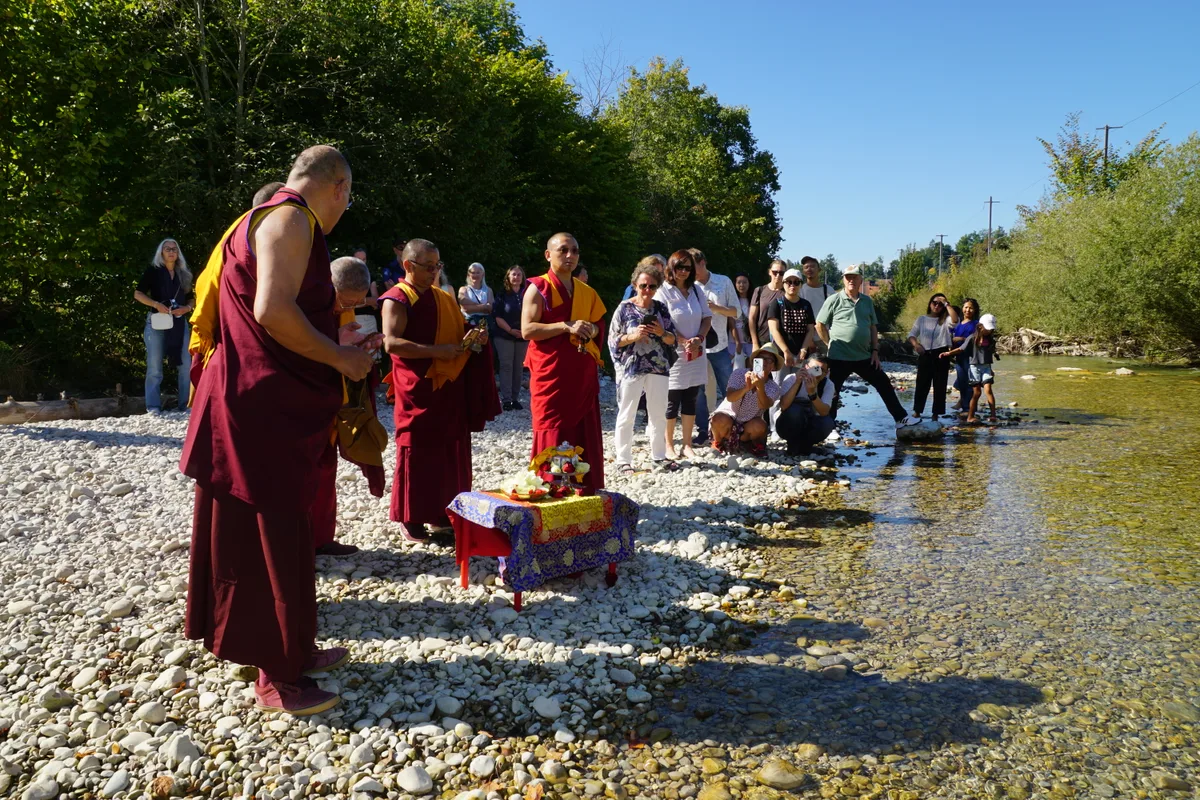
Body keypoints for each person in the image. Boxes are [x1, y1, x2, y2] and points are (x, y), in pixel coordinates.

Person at [181, 145, 374, 715]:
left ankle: (292, 646)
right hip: (257, 406)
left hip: (255, 399)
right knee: (269, 533)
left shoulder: (260, 217)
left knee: (282, 530)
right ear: (337, 187)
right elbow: (271, 310)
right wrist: (340, 360)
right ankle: (277, 675)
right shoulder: (291, 217)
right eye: (347, 199)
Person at [381, 239, 500, 541]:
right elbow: (391, 343)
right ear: (408, 265)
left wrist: (475, 338)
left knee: (449, 448)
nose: (434, 271)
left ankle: (442, 512)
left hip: (448, 384)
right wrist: (436, 351)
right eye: (428, 266)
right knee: (418, 448)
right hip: (417, 387)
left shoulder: (443, 297)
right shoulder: (397, 298)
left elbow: (457, 333)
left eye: (438, 266)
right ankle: (411, 517)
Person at [521, 232, 607, 491]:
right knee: (553, 426)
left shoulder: (586, 291)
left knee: (583, 428)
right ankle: (551, 487)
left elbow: (598, 324)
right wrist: (564, 326)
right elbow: (527, 330)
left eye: (575, 251)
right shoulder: (538, 288)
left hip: (581, 374)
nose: (570, 256)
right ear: (548, 255)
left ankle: (584, 487)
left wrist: (590, 330)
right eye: (563, 250)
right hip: (552, 374)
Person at [815, 263, 920, 431]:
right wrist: (830, 344)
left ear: (860, 280)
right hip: (838, 357)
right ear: (843, 280)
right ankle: (827, 426)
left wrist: (875, 351)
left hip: (864, 356)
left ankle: (901, 418)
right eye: (848, 277)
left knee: (884, 384)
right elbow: (819, 324)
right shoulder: (833, 300)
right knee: (832, 392)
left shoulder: (867, 301)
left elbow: (873, 327)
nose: (851, 280)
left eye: (855, 277)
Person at [609, 261, 679, 475]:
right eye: (643, 286)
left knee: (658, 414)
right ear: (635, 285)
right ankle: (623, 459)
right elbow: (612, 341)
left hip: (658, 367)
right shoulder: (624, 308)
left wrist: (660, 332)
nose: (647, 290)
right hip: (632, 366)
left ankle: (658, 456)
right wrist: (632, 336)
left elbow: (673, 340)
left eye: (652, 286)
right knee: (626, 413)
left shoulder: (661, 309)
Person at [655, 249, 711, 459]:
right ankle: (668, 444)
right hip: (673, 352)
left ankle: (687, 444)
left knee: (691, 396)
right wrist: (682, 340)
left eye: (688, 267)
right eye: (679, 267)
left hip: (696, 351)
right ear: (671, 267)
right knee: (672, 399)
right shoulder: (664, 291)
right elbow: (663, 321)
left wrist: (699, 339)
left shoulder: (696, 290)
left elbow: (707, 317)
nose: (683, 271)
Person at [135, 239, 195, 412]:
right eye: (167, 249)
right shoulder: (153, 271)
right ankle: (153, 407)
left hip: (178, 322)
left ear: (178, 253)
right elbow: (138, 294)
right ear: (161, 253)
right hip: (157, 321)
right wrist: (156, 305)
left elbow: (191, 297)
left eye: (174, 249)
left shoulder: (183, 273)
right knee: (154, 366)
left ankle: (186, 405)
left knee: (185, 365)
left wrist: (187, 308)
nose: (171, 251)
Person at [691, 248, 740, 448]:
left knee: (730, 387)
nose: (689, 271)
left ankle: (735, 426)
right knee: (697, 391)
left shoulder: (724, 281)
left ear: (703, 262)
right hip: (696, 346)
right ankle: (703, 430)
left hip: (719, 344)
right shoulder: (688, 286)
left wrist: (716, 308)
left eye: (692, 266)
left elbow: (736, 312)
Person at [710, 342, 784, 457]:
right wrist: (746, 388)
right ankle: (718, 442)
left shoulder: (773, 387)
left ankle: (747, 444)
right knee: (719, 418)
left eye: (769, 360)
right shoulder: (739, 374)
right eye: (761, 359)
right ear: (755, 361)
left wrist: (760, 387)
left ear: (773, 367)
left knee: (760, 425)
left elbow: (764, 405)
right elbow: (730, 397)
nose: (764, 362)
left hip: (748, 424)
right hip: (728, 417)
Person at [766, 268, 817, 434]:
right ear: (784, 284)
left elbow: (810, 329)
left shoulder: (806, 305)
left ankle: (800, 424)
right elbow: (774, 330)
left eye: (796, 282)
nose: (792, 285)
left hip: (801, 355)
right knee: (778, 390)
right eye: (789, 282)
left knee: (802, 389)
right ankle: (775, 428)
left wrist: (803, 348)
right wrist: (786, 351)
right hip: (781, 355)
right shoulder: (777, 304)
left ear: (800, 285)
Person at [908, 292, 960, 420]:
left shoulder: (945, 320)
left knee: (940, 385)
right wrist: (916, 345)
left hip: (941, 354)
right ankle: (917, 411)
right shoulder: (922, 319)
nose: (937, 306)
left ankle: (935, 414)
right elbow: (911, 334)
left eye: (940, 304)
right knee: (922, 384)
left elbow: (955, 320)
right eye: (934, 302)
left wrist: (947, 303)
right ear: (930, 303)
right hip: (925, 353)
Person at [942, 312, 999, 424]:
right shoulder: (972, 338)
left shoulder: (991, 340)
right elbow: (961, 349)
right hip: (974, 368)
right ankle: (970, 416)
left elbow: (989, 355)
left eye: (991, 329)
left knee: (988, 390)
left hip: (986, 367)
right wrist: (948, 354)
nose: (989, 331)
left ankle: (993, 415)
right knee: (976, 393)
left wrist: (991, 369)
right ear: (980, 326)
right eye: (987, 328)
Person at [775, 354, 837, 456]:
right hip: (787, 424)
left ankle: (806, 446)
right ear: (805, 367)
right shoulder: (791, 378)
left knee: (828, 423)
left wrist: (812, 393)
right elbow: (783, 406)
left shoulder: (828, 384)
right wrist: (797, 382)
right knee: (795, 411)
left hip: (811, 422)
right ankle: (792, 445)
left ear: (826, 373)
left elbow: (824, 411)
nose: (818, 372)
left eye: (822, 370)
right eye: (815, 368)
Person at [493, 266, 528, 411]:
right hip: (504, 335)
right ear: (508, 277)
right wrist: (510, 330)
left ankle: (515, 398)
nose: (517, 277)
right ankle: (506, 399)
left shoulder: (527, 294)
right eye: (514, 274)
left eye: (519, 274)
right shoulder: (502, 295)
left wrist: (524, 331)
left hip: (523, 335)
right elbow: (497, 316)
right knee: (506, 366)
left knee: (518, 367)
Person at [748, 259, 786, 354]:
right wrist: (755, 343)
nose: (778, 275)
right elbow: (752, 318)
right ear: (769, 272)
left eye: (781, 273)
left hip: (782, 342)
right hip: (762, 340)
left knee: (780, 369)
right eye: (775, 272)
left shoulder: (787, 293)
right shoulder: (760, 291)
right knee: (760, 368)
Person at [951, 298, 980, 414]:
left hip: (971, 357)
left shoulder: (976, 324)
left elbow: (977, 341)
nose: (968, 310)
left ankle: (970, 409)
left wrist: (962, 339)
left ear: (975, 310)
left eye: (971, 308)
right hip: (959, 357)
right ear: (962, 308)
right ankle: (964, 406)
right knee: (962, 382)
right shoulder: (958, 325)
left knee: (970, 383)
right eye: (966, 307)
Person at [797, 255, 836, 341]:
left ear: (819, 269)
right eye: (806, 267)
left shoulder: (829, 290)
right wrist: (809, 341)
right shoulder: (800, 291)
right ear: (803, 271)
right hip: (806, 339)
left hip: (826, 338)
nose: (809, 269)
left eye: (813, 266)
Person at [458, 262, 494, 328]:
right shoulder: (463, 289)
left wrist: (472, 307)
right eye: (473, 273)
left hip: (484, 326)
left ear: (483, 274)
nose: (475, 275)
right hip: (469, 325)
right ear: (469, 274)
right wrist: (484, 306)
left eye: (478, 273)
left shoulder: (488, 290)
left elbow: (490, 308)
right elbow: (465, 308)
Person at [731, 272, 752, 369]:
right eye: (739, 282)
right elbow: (731, 323)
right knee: (737, 372)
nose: (742, 285)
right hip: (734, 342)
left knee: (752, 371)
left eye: (744, 282)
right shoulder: (731, 301)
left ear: (749, 284)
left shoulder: (754, 300)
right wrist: (737, 342)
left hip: (751, 342)